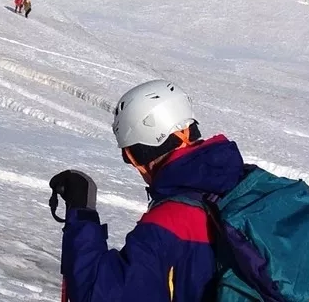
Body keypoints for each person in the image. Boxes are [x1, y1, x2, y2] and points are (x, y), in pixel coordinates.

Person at [50, 80, 245, 301]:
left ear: (138, 152)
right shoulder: (249, 184)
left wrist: (81, 213)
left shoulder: (169, 222)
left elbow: (98, 295)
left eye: (128, 156)